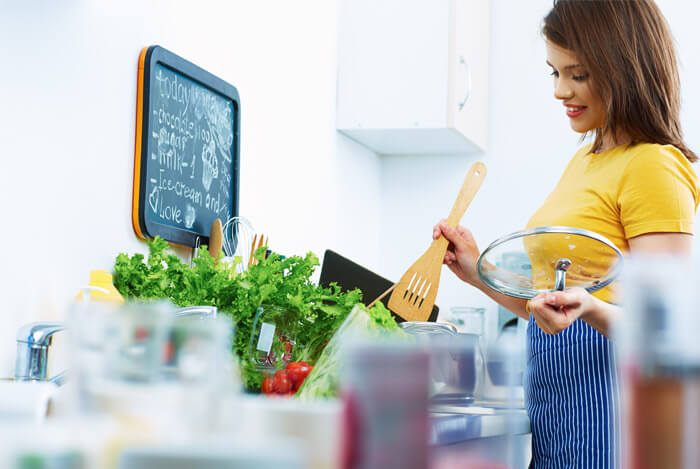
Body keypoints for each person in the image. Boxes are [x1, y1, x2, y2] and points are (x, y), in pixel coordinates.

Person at [433, 1, 699, 468]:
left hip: (612, 424)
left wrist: (592, 308)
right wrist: (477, 271)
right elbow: (551, 308)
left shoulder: (654, 165)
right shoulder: (584, 161)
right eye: (554, 72)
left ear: (623, 66)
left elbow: (666, 333)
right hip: (558, 422)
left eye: (577, 74)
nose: (560, 90)